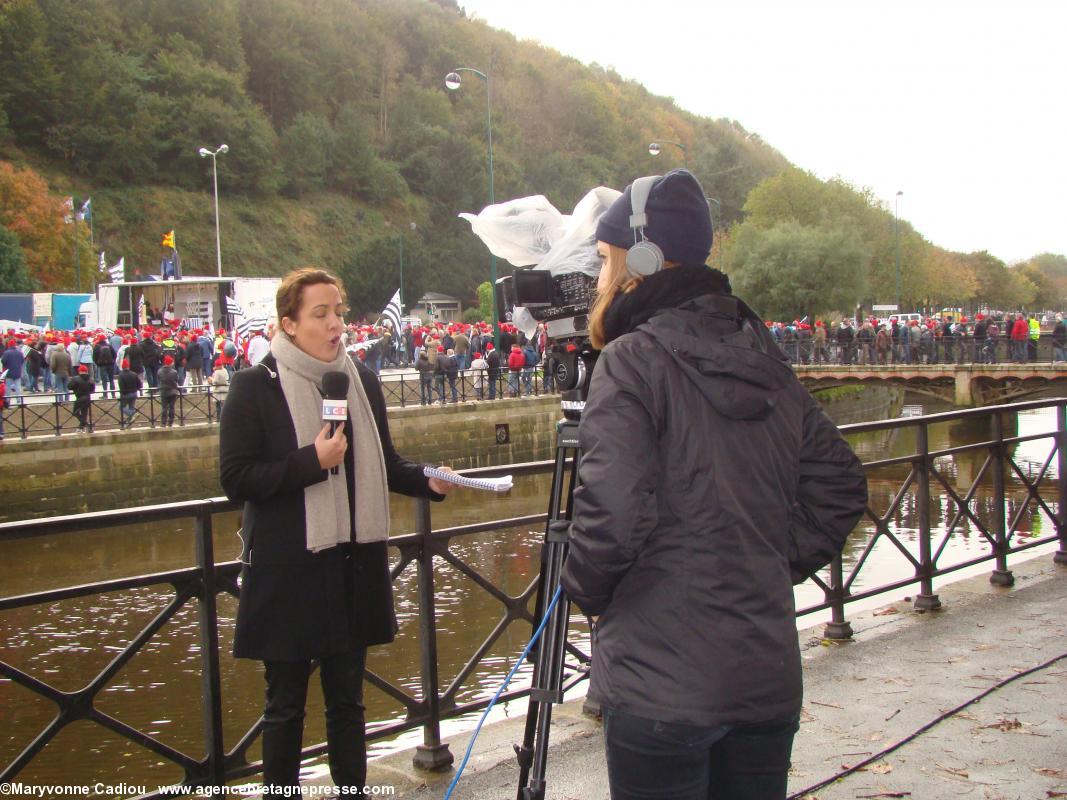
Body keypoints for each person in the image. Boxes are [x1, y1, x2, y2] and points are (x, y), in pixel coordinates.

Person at [558, 170, 867, 800]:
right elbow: (839, 485)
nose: (598, 278)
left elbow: (611, 518)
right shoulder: (763, 357)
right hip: (764, 678)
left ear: (640, 257)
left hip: (660, 683)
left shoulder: (630, 361)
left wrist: (584, 591)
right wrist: (767, 562)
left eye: (602, 260)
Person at [219, 268, 455, 794]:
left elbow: (386, 465)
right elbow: (236, 478)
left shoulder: (360, 381)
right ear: (289, 324)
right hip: (289, 573)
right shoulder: (255, 386)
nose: (335, 325)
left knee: (348, 702)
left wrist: (429, 481)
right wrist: (310, 461)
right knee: (285, 707)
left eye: (339, 313)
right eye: (320, 314)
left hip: (352, 565)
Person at [69, 365, 95, 433]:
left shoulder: (75, 379)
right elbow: (92, 390)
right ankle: (81, 428)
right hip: (87, 398)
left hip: (79, 398)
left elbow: (69, 386)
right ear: (86, 371)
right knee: (84, 414)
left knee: (75, 412)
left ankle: (86, 425)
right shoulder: (90, 379)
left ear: (79, 371)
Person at [117, 359, 142, 429]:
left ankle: (133, 414)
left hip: (126, 394)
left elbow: (121, 386)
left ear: (122, 367)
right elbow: (139, 384)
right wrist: (136, 389)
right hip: (134, 393)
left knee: (121, 407)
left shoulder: (121, 375)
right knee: (131, 407)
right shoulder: (134, 374)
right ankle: (128, 424)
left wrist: (122, 394)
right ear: (128, 366)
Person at [158, 355, 180, 427]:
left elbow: (159, 379)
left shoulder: (160, 371)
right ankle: (170, 422)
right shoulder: (174, 372)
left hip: (163, 391)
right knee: (171, 407)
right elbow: (177, 380)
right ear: (170, 363)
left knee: (164, 407)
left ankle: (163, 422)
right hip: (172, 391)